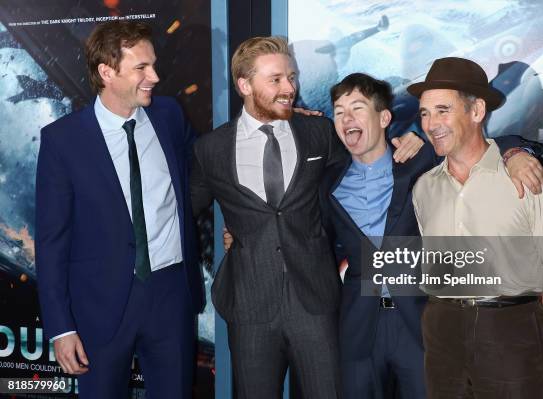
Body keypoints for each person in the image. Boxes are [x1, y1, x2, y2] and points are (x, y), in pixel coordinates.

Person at [190, 36, 423, 399]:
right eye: (276, 80)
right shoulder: (211, 150)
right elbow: (180, 212)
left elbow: (366, 162)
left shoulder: (318, 132)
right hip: (249, 305)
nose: (290, 89)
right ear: (244, 85)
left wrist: (415, 140)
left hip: (317, 303)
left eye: (292, 77)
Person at [318, 72, 543, 399]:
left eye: (357, 108)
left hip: (420, 321)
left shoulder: (421, 159)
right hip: (359, 325)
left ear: (384, 117)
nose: (347, 118)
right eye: (339, 111)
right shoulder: (327, 182)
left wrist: (515, 153)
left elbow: (479, 145)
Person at [35, 21, 203, 398]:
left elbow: (210, 164)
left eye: (153, 64)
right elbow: (51, 241)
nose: (155, 77)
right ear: (107, 73)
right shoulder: (63, 141)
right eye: (141, 68)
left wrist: (282, 123)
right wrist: (61, 328)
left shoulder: (169, 116)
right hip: (99, 305)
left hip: (170, 293)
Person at [409, 57, 543, 398]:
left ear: (476, 112)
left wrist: (528, 324)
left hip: (512, 330)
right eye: (425, 113)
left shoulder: (528, 177)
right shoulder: (424, 188)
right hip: (443, 330)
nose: (430, 123)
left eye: (442, 110)